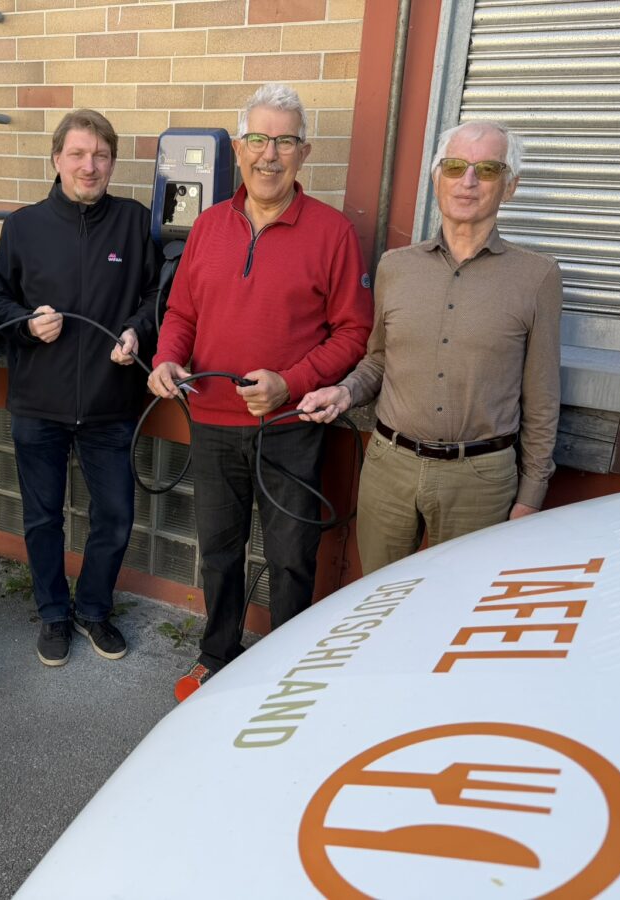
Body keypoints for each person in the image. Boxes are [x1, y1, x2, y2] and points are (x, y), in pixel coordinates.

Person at [147, 84, 373, 701]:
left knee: (291, 557)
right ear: (238, 147)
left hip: (292, 429)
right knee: (218, 550)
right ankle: (218, 655)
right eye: (258, 139)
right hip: (214, 423)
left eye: (285, 141)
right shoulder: (208, 227)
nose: (269, 154)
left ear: (304, 152)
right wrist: (167, 358)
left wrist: (291, 384)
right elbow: (181, 313)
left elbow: (354, 331)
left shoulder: (331, 233)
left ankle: (287, 674)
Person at [298, 120, 563, 575]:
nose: (469, 181)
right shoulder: (395, 267)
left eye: (488, 169)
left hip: (479, 480)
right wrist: (345, 391)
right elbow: (378, 359)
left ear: (510, 186)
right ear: (436, 177)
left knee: (459, 606)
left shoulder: (537, 278)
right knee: (377, 599)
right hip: (389, 468)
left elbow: (541, 397)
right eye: (455, 166)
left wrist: (530, 497)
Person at [0, 109, 161, 667]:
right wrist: (28, 324)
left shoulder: (135, 222)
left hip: (112, 401)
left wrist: (137, 330)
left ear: (113, 162)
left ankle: (94, 610)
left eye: (101, 155)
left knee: (114, 516)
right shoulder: (24, 226)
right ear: (57, 159)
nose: (90, 166)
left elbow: (161, 295)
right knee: (42, 518)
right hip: (39, 403)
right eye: (78, 154)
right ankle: (54, 614)